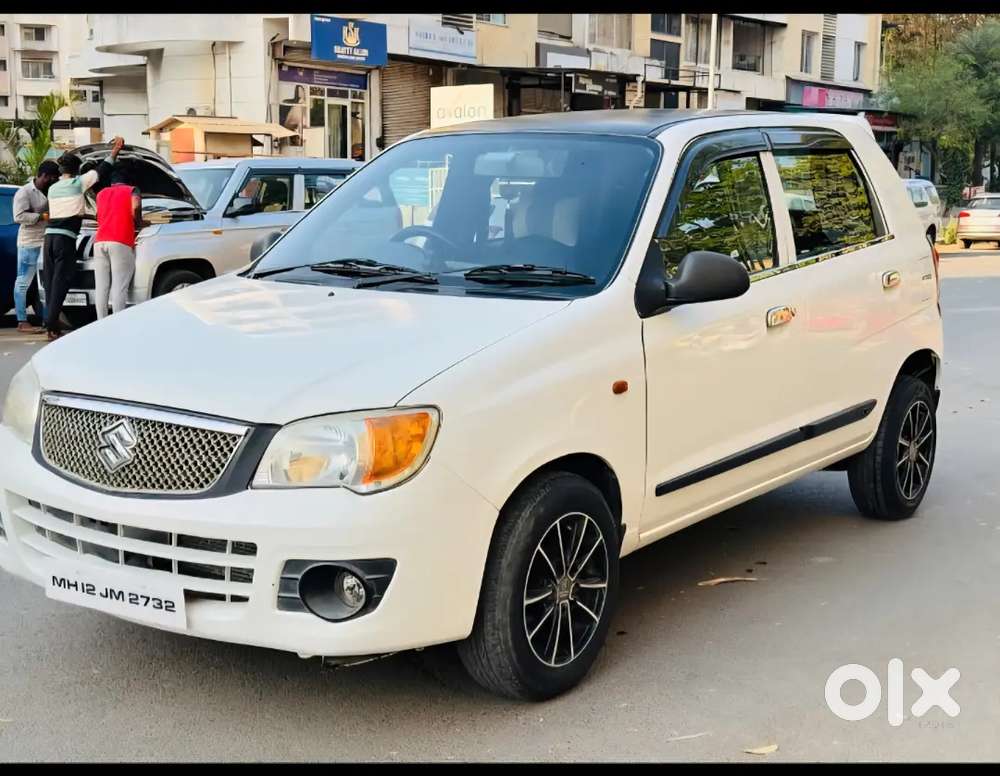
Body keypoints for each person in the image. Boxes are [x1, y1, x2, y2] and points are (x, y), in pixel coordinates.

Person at [42, 136, 124, 340]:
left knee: (52, 282)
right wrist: (115, 151)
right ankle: (51, 324)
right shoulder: (78, 183)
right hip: (65, 240)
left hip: (49, 238)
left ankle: (50, 321)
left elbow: (65, 211)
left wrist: (87, 215)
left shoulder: (53, 189)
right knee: (61, 281)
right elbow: (102, 170)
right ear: (78, 170)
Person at [11, 160, 61, 334]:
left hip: (46, 240)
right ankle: (22, 321)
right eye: (52, 178)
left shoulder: (50, 190)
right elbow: (18, 216)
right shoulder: (24, 192)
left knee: (47, 282)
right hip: (29, 242)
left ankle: (49, 320)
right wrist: (41, 216)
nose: (54, 181)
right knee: (23, 282)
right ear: (44, 176)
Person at [93, 169, 143, 319]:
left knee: (101, 287)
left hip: (100, 241)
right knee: (119, 286)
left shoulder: (101, 193)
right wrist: (140, 222)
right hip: (120, 241)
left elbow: (98, 215)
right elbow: (135, 207)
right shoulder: (132, 190)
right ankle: (117, 322)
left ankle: (100, 322)